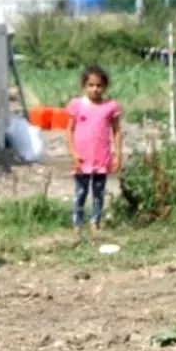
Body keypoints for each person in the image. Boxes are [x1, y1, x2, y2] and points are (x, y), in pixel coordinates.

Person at [66, 64, 122, 236]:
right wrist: (73, 152)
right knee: (81, 191)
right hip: (82, 158)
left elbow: (117, 131)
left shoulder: (110, 106)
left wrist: (117, 155)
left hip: (101, 157)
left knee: (98, 192)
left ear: (105, 87)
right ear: (84, 86)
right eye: (91, 85)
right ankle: (77, 223)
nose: (95, 89)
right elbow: (69, 130)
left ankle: (95, 222)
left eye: (99, 85)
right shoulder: (77, 105)